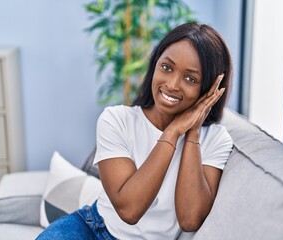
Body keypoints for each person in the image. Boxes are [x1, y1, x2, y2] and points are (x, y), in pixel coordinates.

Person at [36, 22, 233, 240]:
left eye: (190, 79)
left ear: (209, 89)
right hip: (93, 230)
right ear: (155, 65)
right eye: (166, 67)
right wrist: (172, 131)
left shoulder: (215, 139)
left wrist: (192, 132)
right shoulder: (116, 120)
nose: (172, 84)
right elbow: (130, 210)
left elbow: (189, 219)